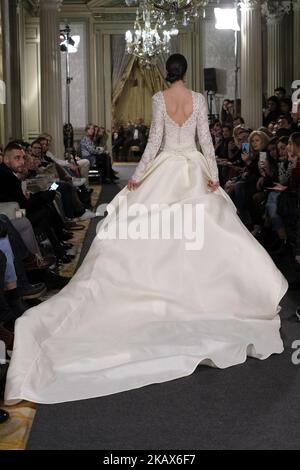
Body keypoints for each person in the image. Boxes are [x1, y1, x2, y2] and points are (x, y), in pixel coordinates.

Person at [5, 54, 288, 405]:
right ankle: (206, 298)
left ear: (166, 74)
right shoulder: (198, 99)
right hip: (194, 170)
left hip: (168, 169)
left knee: (155, 235)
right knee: (204, 236)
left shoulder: (159, 99)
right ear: (185, 73)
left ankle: (166, 294)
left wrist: (137, 180)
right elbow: (204, 141)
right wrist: (213, 178)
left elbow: (155, 143)